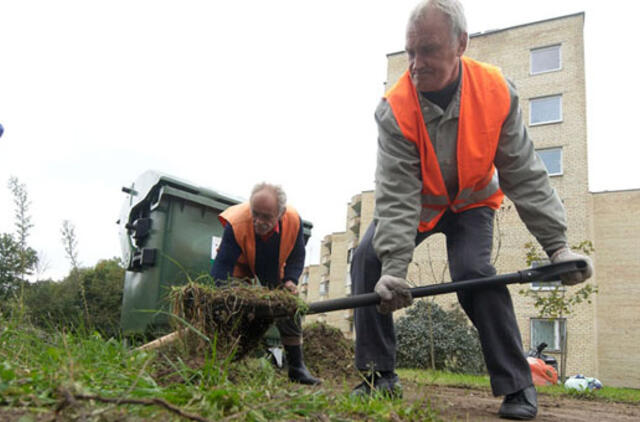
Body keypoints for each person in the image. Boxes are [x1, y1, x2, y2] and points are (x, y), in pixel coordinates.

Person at [349, 0, 593, 419]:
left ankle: (518, 385)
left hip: (472, 202)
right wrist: (395, 267)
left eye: (428, 50)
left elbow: (524, 172)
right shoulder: (395, 108)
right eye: (410, 51)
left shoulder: (496, 91)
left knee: (474, 275)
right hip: (419, 203)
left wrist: (558, 248)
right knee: (369, 259)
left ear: (460, 44)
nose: (415, 63)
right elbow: (396, 193)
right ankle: (379, 376)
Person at [210, 182, 321, 385]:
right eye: (255, 214)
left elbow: (296, 258)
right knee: (232, 308)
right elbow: (221, 266)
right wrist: (228, 294)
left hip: (273, 266)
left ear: (280, 213)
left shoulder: (293, 221)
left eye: (266, 217)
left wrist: (290, 280)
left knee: (289, 305)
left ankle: (297, 368)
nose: (259, 222)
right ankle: (220, 362)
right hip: (241, 265)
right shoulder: (237, 223)